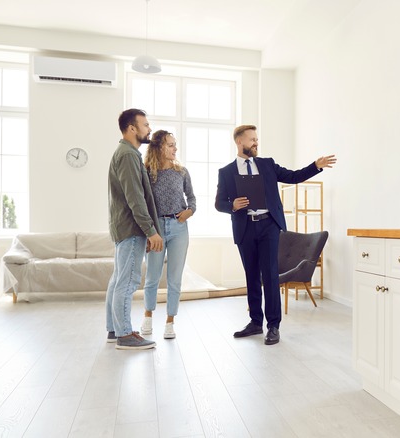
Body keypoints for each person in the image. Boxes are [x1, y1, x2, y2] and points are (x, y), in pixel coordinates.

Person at [215, 124, 336, 345]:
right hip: (245, 228)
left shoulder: (267, 164)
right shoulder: (226, 172)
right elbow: (218, 203)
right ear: (239, 142)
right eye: (252, 139)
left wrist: (315, 166)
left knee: (269, 275)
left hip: (269, 226)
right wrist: (232, 205)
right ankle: (254, 323)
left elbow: (293, 176)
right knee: (251, 276)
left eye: (257, 139)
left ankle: (273, 326)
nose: (256, 143)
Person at [105, 108, 164, 350]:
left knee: (118, 280)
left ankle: (114, 329)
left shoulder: (126, 153)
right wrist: (151, 231)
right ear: (132, 128)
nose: (149, 129)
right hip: (131, 228)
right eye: (146, 124)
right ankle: (125, 334)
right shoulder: (128, 155)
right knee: (127, 282)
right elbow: (135, 198)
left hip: (124, 227)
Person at [140, 130, 196, 340]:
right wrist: (148, 232)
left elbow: (192, 199)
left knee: (175, 279)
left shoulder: (181, 172)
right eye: (170, 145)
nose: (175, 149)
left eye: (175, 145)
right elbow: (143, 204)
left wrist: (189, 211)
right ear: (159, 147)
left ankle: (170, 321)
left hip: (179, 228)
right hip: (156, 230)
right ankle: (147, 317)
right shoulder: (146, 172)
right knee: (152, 277)